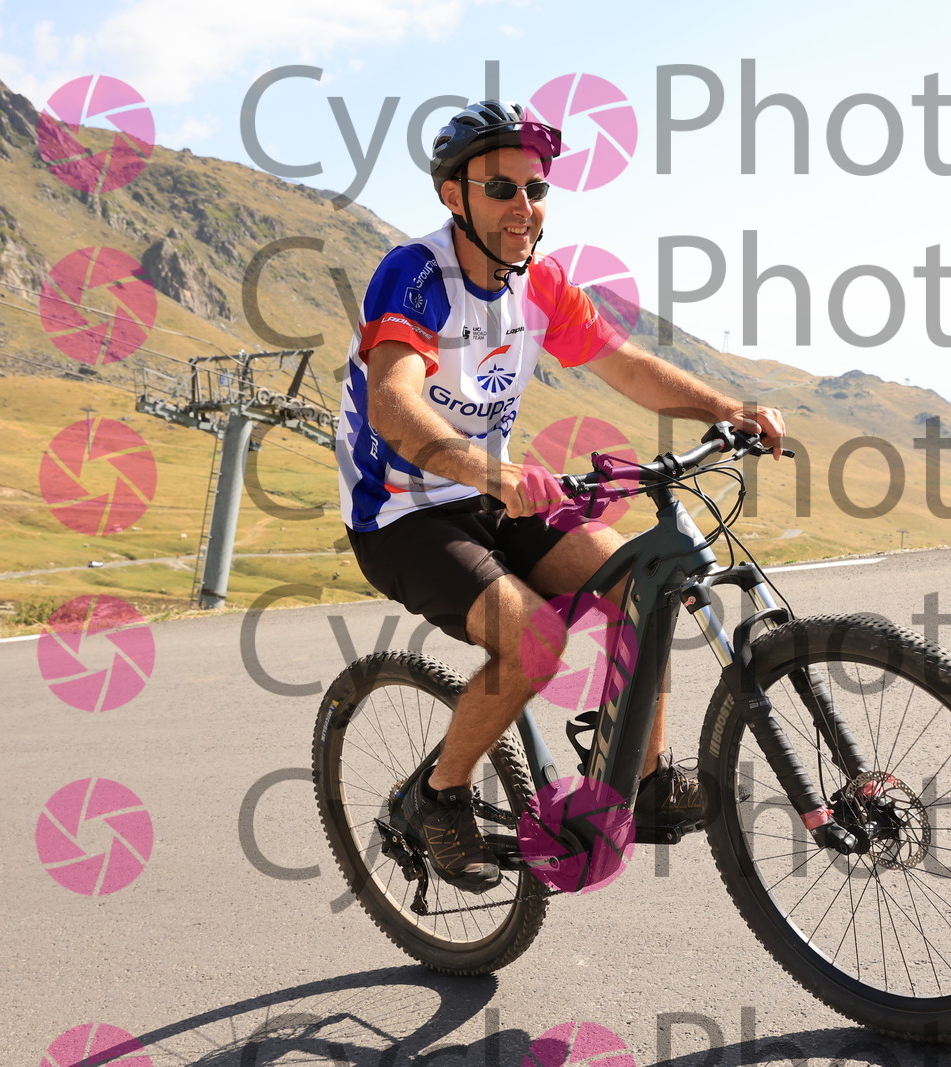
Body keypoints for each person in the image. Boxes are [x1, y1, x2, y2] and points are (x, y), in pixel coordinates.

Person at [336, 100, 785, 893]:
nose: (524, 206)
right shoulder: (416, 275)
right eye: (501, 188)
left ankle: (646, 779)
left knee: (642, 584)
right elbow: (393, 406)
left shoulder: (539, 281)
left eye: (536, 189)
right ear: (454, 196)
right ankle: (438, 797)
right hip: (402, 511)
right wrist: (492, 472)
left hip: (491, 491)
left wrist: (727, 409)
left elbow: (626, 365)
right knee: (535, 641)